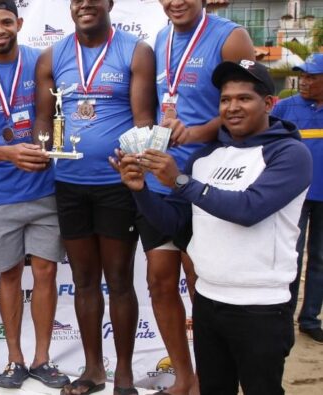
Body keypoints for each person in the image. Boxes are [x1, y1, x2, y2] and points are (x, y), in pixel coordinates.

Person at [113, 59, 310, 395]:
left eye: (244, 98)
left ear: (268, 103)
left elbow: (249, 210)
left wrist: (180, 181)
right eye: (225, 99)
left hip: (261, 307)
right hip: (207, 301)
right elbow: (175, 223)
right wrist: (141, 192)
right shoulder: (206, 157)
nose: (232, 107)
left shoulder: (290, 154)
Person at [34, 0, 156, 394]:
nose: (85, 3)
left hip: (116, 184)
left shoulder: (135, 50)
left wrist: (136, 164)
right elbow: (43, 118)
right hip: (69, 183)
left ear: (109, 4)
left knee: (119, 280)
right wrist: (40, 149)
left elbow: (143, 121)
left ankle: (123, 372)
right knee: (84, 280)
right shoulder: (52, 56)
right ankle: (92, 370)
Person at [0, 0, 71, 389]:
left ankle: (42, 358)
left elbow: (58, 118)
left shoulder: (42, 62)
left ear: (19, 23)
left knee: (46, 272)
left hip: (44, 189)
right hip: (0, 193)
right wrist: (9, 153)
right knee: (7, 275)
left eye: (6, 21)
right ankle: (14, 359)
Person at [144, 1, 255, 393]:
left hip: (208, 180)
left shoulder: (230, 37)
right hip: (160, 179)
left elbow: (246, 104)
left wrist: (196, 133)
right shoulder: (161, 38)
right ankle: (183, 376)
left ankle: (211, 378)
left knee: (201, 284)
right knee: (159, 281)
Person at [274, 53, 323, 344]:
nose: (304, 82)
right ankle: (283, 317)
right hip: (294, 197)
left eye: (312, 77)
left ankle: (309, 319)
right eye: (302, 76)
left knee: (319, 259)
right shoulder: (284, 108)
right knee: (290, 257)